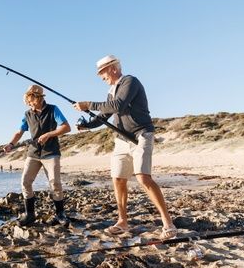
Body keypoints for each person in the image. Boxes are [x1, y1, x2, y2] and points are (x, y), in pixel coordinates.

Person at [73, 55, 177, 239]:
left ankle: (168, 222)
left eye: (102, 72)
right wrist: (86, 125)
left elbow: (118, 106)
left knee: (144, 179)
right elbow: (103, 117)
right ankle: (123, 221)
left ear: (112, 68)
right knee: (118, 179)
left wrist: (88, 104)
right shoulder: (111, 91)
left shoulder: (130, 81)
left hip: (141, 135)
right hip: (121, 140)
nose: (101, 77)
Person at [4, 84, 71, 227]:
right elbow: (19, 132)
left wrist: (48, 134)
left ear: (38, 97)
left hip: (51, 153)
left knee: (55, 184)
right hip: (33, 153)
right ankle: (30, 214)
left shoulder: (53, 109)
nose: (28, 102)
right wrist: (11, 144)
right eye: (27, 99)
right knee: (25, 182)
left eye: (30, 98)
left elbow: (66, 127)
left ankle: (60, 214)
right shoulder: (27, 114)